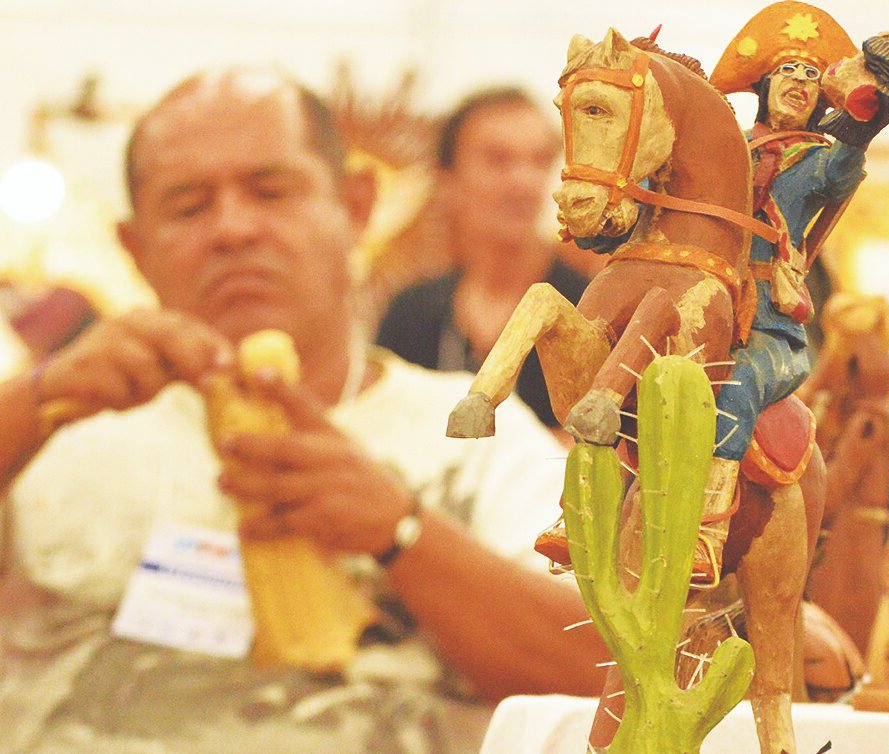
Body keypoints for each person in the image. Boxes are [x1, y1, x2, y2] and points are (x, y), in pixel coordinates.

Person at [0, 68, 605, 754]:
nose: (233, 229)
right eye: (189, 207)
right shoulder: (55, 427)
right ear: (135, 247)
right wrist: (32, 401)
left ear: (356, 207)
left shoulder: (478, 436)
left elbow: (608, 674)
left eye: (271, 192)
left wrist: (399, 531)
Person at [699, 1, 889, 583]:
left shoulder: (817, 161)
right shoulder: (722, 149)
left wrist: (869, 113)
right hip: (706, 308)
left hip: (770, 331)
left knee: (737, 383)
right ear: (763, 84)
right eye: (787, 71)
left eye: (811, 75)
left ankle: (708, 525)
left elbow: (844, 167)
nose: (798, 82)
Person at [375, 87, 588, 429]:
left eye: (540, 161)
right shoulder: (410, 316)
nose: (524, 182)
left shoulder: (587, 308)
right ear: (447, 181)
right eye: (498, 160)